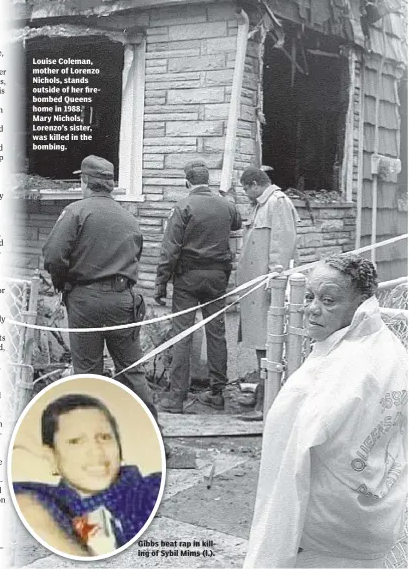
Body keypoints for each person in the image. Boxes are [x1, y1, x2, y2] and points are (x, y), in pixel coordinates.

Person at [244, 255, 408, 569]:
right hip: (376, 517)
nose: (312, 308)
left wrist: (269, 553)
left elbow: (290, 469)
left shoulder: (331, 373)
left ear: (362, 303)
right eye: (309, 296)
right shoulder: (389, 348)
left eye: (329, 300)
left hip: (325, 531)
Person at [43, 155, 156, 419]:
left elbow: (53, 256)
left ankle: (90, 434)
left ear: (85, 182)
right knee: (132, 370)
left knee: (87, 372)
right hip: (123, 299)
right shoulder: (128, 217)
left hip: (85, 299)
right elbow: (135, 256)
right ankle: (154, 435)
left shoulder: (76, 211)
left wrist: (62, 285)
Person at [13, 394, 162, 558]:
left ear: (119, 447)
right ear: (51, 457)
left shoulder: (150, 490)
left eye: (104, 437)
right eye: (76, 441)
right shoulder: (39, 500)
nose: (96, 451)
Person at [154, 160, 242, 413]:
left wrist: (161, 284)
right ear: (208, 181)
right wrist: (228, 200)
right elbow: (236, 224)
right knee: (216, 333)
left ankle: (177, 397)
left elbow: (169, 250)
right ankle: (217, 393)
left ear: (187, 182)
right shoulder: (226, 205)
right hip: (217, 277)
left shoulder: (183, 207)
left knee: (183, 334)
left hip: (188, 279)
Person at [237, 166, 298, 419]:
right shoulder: (262, 204)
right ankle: (262, 398)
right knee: (261, 343)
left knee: (268, 344)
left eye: (245, 189)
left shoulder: (277, 203)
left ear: (254, 184)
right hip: (255, 287)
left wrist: (276, 281)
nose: (245, 194)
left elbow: (282, 245)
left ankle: (266, 404)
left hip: (267, 287)